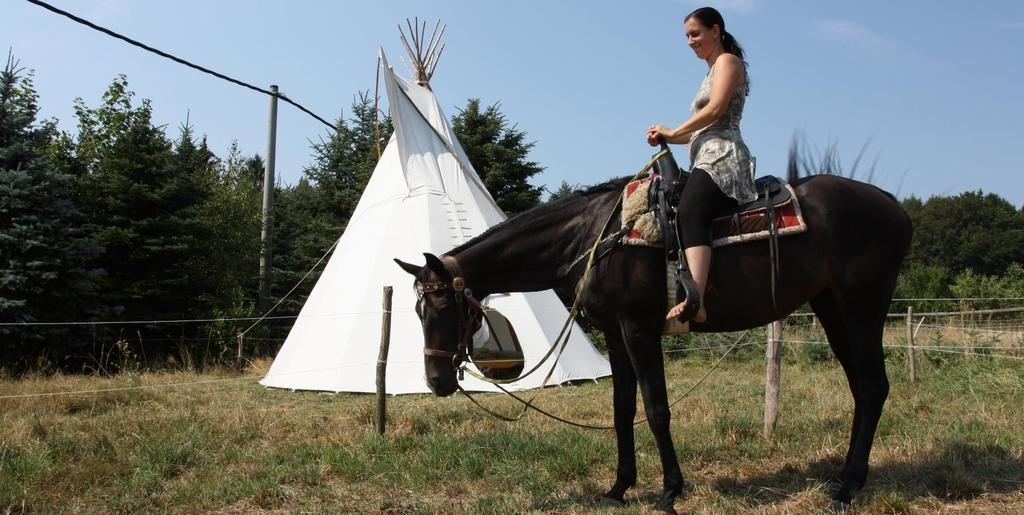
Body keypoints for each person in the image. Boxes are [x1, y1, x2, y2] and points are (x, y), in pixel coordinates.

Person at [646, 6, 757, 323]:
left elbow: (717, 110)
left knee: (691, 209)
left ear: (715, 30)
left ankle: (697, 298)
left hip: (723, 155)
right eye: (687, 36)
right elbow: (699, 128)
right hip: (703, 153)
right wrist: (667, 135)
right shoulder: (709, 73)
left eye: (695, 33)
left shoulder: (727, 62)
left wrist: (675, 130)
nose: (690, 41)